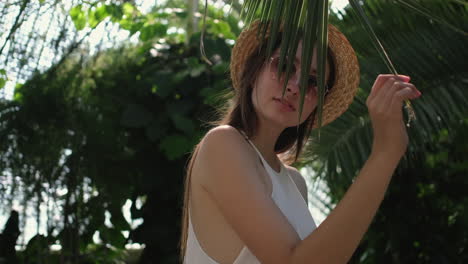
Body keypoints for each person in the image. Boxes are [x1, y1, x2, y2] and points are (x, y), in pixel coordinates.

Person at [179, 20, 421, 264]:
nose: (294, 87)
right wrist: (385, 153)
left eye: (313, 83)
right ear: (254, 72)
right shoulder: (222, 144)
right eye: (284, 66)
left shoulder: (295, 182)